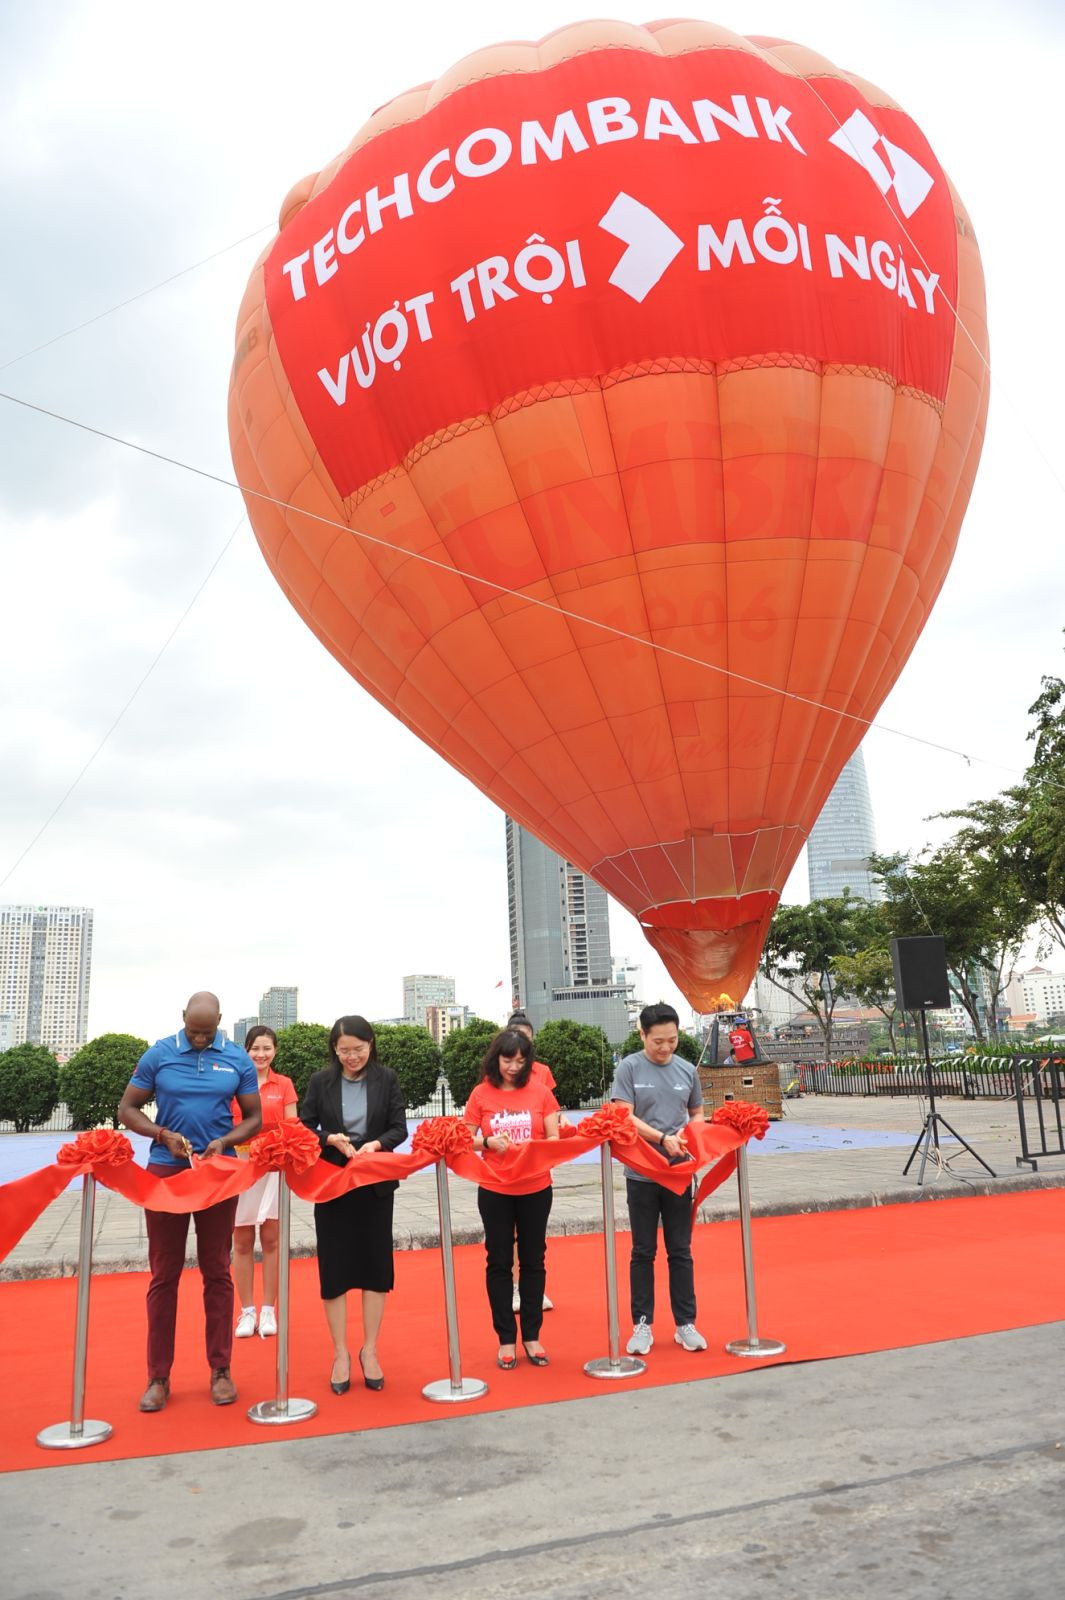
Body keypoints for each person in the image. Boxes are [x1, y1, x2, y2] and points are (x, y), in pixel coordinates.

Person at [118, 991, 261, 1411]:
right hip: (167, 1170)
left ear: (220, 1021)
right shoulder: (159, 1054)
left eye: (208, 1031)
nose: (200, 1039)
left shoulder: (237, 1058)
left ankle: (220, 1370)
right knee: (164, 1274)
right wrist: (161, 1134)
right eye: (194, 1031)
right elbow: (128, 1108)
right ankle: (158, 1378)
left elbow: (254, 1118)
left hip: (217, 1173)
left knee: (217, 1270)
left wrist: (225, 1141)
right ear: (183, 1019)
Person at [299, 1016, 407, 1394]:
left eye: (358, 1050)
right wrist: (329, 1138)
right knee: (336, 1269)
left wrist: (375, 1145)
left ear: (371, 1045)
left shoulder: (387, 1079)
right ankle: (341, 1353)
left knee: (375, 1268)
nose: (351, 1057)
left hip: (375, 1183)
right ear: (334, 1049)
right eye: (344, 1050)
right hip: (333, 1185)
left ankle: (371, 1350)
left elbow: (399, 1128)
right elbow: (303, 1126)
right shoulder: (320, 1082)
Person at [610, 1002, 707, 1356]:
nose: (666, 1048)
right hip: (642, 1174)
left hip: (680, 1172)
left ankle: (685, 1324)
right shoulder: (630, 1068)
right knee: (643, 1250)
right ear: (642, 1035)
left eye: (672, 1040)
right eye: (658, 1042)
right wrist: (661, 1138)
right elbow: (623, 1115)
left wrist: (687, 1132)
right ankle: (642, 1324)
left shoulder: (686, 1070)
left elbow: (697, 1112)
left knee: (680, 1250)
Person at [464, 1028, 559, 1369]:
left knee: (534, 1260)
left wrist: (537, 1148)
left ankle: (531, 1335)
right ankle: (506, 1338)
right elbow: (464, 1139)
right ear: (495, 1059)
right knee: (499, 1261)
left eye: (521, 1061)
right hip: (495, 1189)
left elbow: (554, 1136)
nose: (514, 1067)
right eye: (508, 1060)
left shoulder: (541, 1093)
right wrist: (488, 1143)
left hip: (535, 1187)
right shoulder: (480, 1094)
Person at [230, 1025, 298, 1340]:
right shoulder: (233, 1084)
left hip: (274, 1168)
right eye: (255, 1048)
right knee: (242, 1241)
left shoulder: (283, 1085)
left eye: (267, 1048)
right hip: (241, 1169)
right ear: (246, 1051)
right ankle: (246, 1311)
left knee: (271, 1240)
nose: (261, 1054)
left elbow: (292, 1126)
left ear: (275, 1051)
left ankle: (269, 1309)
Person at [505, 1009, 558, 1311]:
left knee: (534, 1233)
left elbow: (550, 1111)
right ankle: (514, 1288)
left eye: (527, 1040)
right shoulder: (497, 1074)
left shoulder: (543, 1072)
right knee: (511, 1233)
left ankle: (535, 1288)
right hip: (508, 1165)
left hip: (537, 1163)